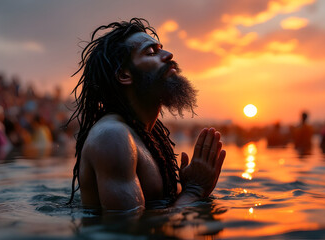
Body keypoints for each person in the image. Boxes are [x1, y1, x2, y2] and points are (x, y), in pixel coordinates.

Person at [67, 18, 226, 211]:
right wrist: (194, 191)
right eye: (151, 52)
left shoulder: (147, 133)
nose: (168, 55)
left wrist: (185, 187)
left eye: (161, 49)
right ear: (125, 75)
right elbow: (128, 231)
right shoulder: (112, 136)